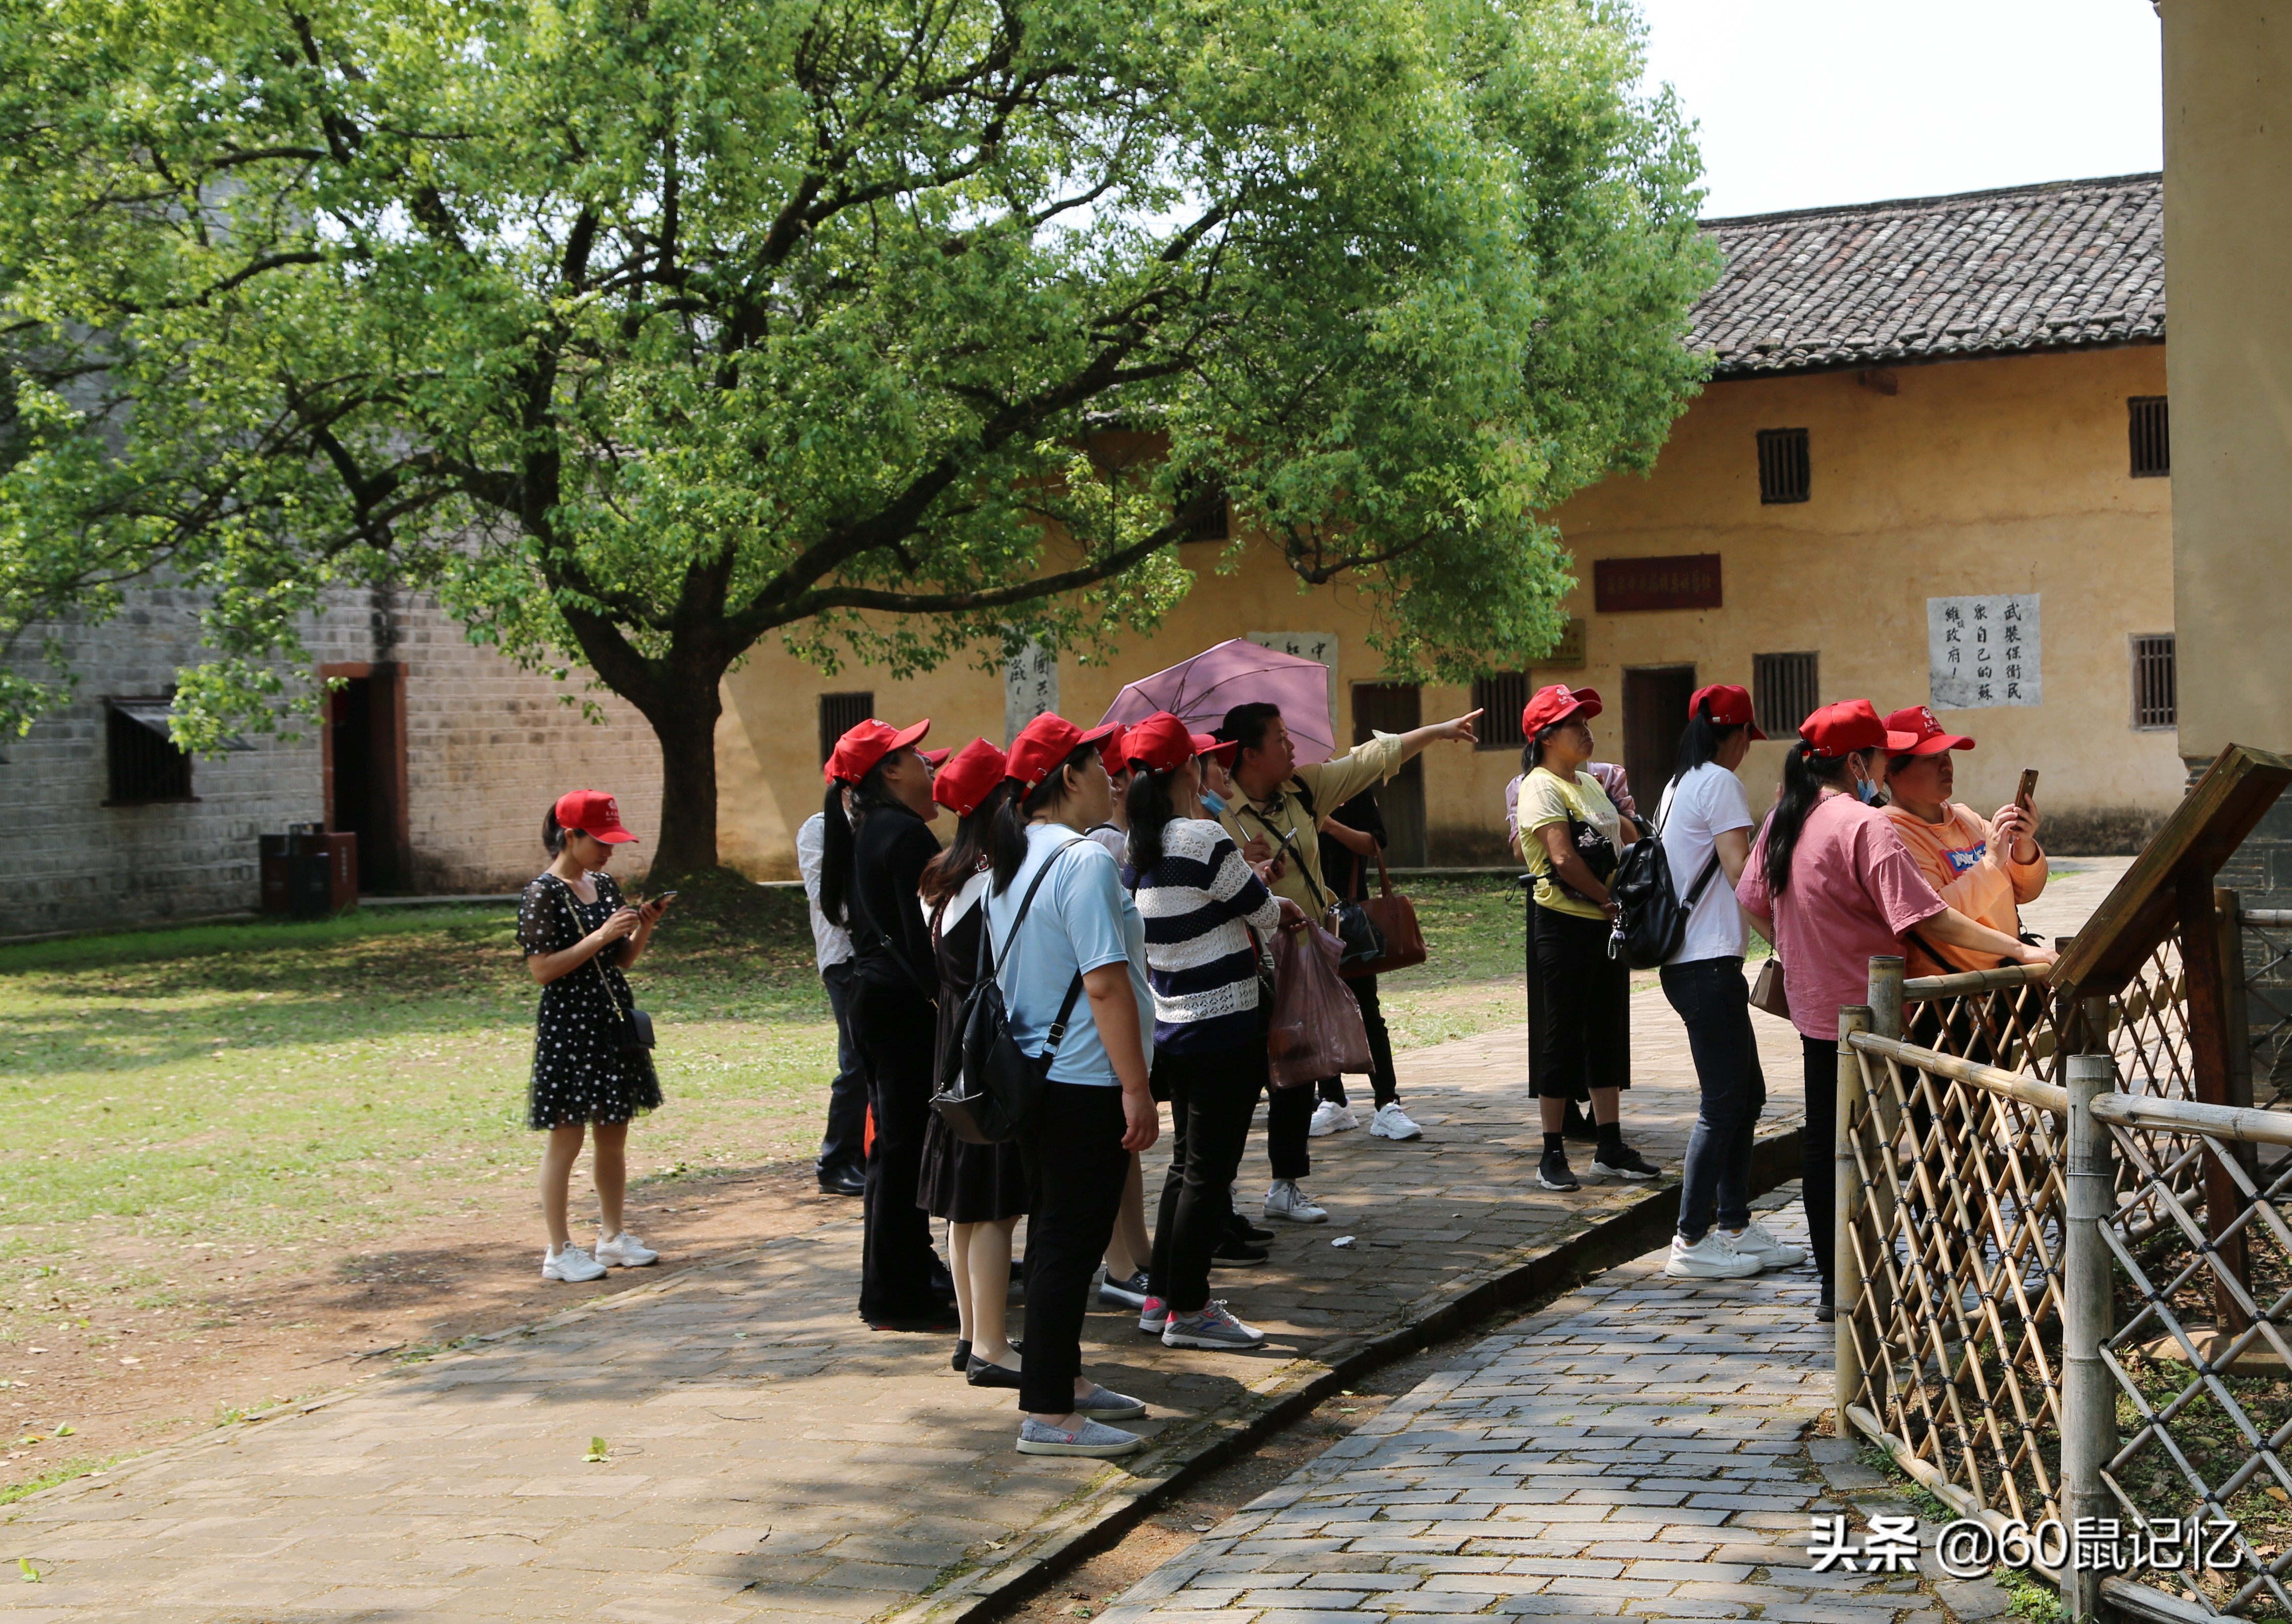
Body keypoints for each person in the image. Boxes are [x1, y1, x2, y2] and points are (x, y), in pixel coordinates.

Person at [1736, 699, 2057, 1320]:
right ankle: (1876, 1282)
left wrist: (1795, 951)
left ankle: (1838, 1286)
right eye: (1882, 757)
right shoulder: (1867, 824)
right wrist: (2019, 947)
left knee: (1827, 1143)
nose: (1881, 770)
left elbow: (1751, 897)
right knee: (1881, 1144)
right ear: (1859, 762)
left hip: (1815, 1008)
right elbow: (1927, 916)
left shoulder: (1785, 816)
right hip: (1880, 1009)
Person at [1218, 698, 1482, 1222]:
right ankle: (1217, 1194)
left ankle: (1284, 1185)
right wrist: (1244, 868)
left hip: (1307, 953)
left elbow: (1369, 759)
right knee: (1241, 1079)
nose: (1293, 747)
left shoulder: (1305, 789)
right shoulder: (1216, 815)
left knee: (1297, 1071)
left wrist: (1437, 731)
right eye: (1280, 739)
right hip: (1250, 962)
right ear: (1249, 754)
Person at [987, 712, 1159, 1458]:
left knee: (1062, 1237)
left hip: (1035, 1079)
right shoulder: (1082, 861)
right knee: (1067, 1245)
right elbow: (1105, 985)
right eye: (1100, 764)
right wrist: (1136, 1087)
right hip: (1086, 1080)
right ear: (1068, 778)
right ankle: (1049, 1411)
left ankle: (1070, 1382)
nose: (1113, 778)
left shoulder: (1009, 856)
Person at [1121, 712, 1294, 1350]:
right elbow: (1263, 913)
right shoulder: (1200, 836)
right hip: (1224, 1024)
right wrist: (1265, 891)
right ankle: (1190, 1311)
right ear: (1186, 770)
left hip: (1174, 1027)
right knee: (1207, 1174)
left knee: (1184, 1167)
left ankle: (1162, 1295)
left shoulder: (1137, 844)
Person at [1652, 686, 1804, 1281]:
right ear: (1737, 735)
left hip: (1697, 965)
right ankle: (1690, 1239)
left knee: (1746, 1095)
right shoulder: (1717, 782)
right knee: (1722, 1104)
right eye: (1748, 738)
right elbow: (1744, 875)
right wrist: (1787, 938)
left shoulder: (1678, 784)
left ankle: (1735, 1224)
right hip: (1706, 966)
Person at [820, 716, 954, 1330]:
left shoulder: (873, 828)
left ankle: (904, 1277)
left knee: (895, 1150)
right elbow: (928, 939)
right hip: (901, 1007)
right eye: (914, 754)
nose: (928, 762)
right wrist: (952, 1004)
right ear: (889, 771)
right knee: (900, 1153)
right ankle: (893, 1294)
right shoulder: (901, 834)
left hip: (877, 1001)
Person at [519, 790, 671, 1283]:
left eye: (613, 841)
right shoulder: (542, 892)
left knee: (614, 1132)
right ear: (571, 836)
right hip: (569, 1026)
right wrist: (602, 935)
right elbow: (543, 970)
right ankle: (559, 1249)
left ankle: (611, 1236)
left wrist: (640, 928)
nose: (609, 852)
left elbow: (620, 961)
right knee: (567, 1138)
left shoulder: (603, 884)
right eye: (600, 841)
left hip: (610, 1021)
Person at [917, 739, 1033, 1386]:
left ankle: (970, 1334)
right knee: (993, 1205)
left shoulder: (939, 882)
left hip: (953, 1048)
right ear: (1003, 803)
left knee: (967, 1205)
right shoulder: (996, 885)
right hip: (989, 1054)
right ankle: (992, 1346)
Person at [1514, 685, 1660, 1193]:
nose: (1586, 729)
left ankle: (1610, 1145)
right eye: (1574, 722)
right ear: (1546, 736)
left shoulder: (1588, 784)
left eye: (1585, 720)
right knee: (1561, 1037)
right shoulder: (1539, 786)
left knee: (1606, 1031)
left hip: (1603, 922)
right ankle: (1551, 1152)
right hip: (1564, 924)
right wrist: (1608, 898)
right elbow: (1561, 858)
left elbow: (1620, 840)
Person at [1879, 706, 2048, 977]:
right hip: (1951, 997)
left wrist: (2024, 846)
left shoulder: (1966, 817)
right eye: (1931, 759)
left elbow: (2024, 892)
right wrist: (1992, 861)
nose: (1946, 766)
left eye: (1947, 755)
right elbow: (1939, 917)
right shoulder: (1891, 833)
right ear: (1891, 770)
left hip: (2006, 983)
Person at [1311, 790, 1420, 1141]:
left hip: (1351, 919)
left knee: (1367, 1014)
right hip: (1304, 917)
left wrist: (1328, 825)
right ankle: (1331, 1100)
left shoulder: (1349, 789)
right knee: (1316, 1013)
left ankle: (1387, 1102)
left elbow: (1374, 845)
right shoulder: (1285, 798)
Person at [797, 800, 867, 1197]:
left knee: (872, 1060)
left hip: (877, 956)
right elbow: (829, 901)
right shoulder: (820, 828)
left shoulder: (878, 821)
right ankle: (836, 1162)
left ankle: (862, 1153)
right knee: (855, 1060)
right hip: (845, 958)